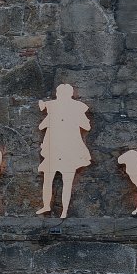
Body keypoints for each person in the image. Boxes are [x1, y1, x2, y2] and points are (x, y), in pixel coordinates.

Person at [36, 83, 92, 219]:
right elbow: (42, 126)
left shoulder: (75, 109)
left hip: (67, 150)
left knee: (65, 180)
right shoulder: (54, 109)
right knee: (50, 179)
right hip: (55, 149)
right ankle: (47, 205)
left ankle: (64, 210)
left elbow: (86, 126)